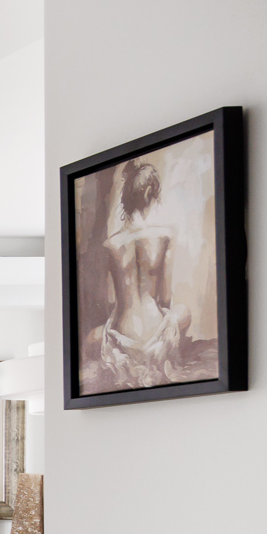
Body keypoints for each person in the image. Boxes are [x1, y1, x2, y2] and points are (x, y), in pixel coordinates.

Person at [93, 157, 191, 387]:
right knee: (183, 311)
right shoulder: (165, 236)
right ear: (149, 193)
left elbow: (110, 299)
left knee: (94, 334)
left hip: (121, 334)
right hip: (155, 333)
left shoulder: (111, 244)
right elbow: (165, 296)